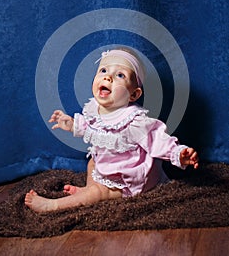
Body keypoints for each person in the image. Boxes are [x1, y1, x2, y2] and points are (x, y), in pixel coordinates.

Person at [25, 48, 199, 212]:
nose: (108, 78)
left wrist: (179, 152)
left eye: (120, 75)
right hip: (108, 166)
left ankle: (53, 206)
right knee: (92, 162)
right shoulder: (95, 109)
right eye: (103, 71)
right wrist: (71, 124)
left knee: (99, 192)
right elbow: (91, 128)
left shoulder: (135, 121)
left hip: (128, 178)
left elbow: (158, 140)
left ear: (134, 94)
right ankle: (88, 190)